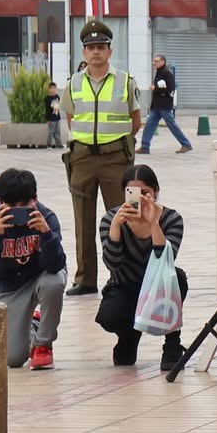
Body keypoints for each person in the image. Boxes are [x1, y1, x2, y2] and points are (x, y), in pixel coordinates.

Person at [59, 18, 141, 298]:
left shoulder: (125, 81)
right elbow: (71, 117)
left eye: (101, 46)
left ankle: (124, 275)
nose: (96, 51)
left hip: (116, 158)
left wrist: (115, 140)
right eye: (90, 47)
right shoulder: (73, 83)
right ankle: (85, 279)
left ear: (110, 51)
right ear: (83, 52)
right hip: (82, 157)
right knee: (82, 220)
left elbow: (135, 120)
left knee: (124, 216)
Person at [97, 164, 189, 371]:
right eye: (133, 193)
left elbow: (165, 258)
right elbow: (112, 264)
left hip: (158, 286)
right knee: (110, 317)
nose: (140, 198)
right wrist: (115, 228)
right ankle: (128, 336)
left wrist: (154, 223)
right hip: (124, 284)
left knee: (178, 278)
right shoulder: (111, 219)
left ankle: (172, 343)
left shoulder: (171, 218)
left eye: (145, 192)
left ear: (156, 191)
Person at [0, 167, 65, 370]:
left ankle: (43, 345)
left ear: (35, 199)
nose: (18, 211)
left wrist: (46, 234)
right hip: (11, 287)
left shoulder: (46, 217)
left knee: (55, 281)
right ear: (0, 200)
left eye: (25, 205)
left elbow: (57, 265)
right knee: (13, 359)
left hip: (42, 277)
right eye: (11, 206)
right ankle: (33, 323)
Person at [140, 54, 193, 156]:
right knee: (149, 125)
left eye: (156, 61)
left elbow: (170, 89)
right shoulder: (159, 73)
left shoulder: (166, 73)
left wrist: (155, 88)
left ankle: (186, 144)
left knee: (172, 125)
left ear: (162, 62)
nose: (154, 63)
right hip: (156, 106)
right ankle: (145, 146)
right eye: (154, 61)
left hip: (164, 105)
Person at [44, 78, 62, 148]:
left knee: (58, 131)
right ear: (49, 89)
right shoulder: (47, 99)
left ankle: (59, 144)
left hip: (57, 117)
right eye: (51, 88)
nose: (53, 90)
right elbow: (47, 110)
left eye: (54, 88)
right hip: (51, 119)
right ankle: (49, 144)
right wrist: (47, 119)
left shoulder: (57, 97)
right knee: (51, 132)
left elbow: (59, 105)